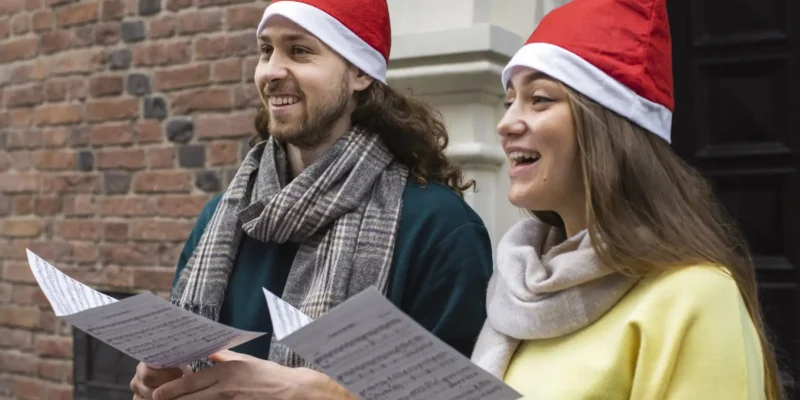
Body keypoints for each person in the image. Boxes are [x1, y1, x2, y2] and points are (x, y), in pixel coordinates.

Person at [129, 0, 494, 398]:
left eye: (299, 51)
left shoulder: (438, 228)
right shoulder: (220, 218)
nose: (271, 71)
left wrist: (322, 394)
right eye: (266, 50)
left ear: (359, 71)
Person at [470, 0, 785, 399]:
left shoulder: (695, 297)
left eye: (540, 99)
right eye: (509, 100)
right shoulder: (517, 288)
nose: (506, 123)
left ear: (606, 127)